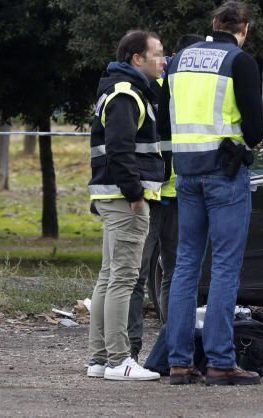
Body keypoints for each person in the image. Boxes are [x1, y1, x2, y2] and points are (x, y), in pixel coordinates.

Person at [157, 1, 263, 386]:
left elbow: (163, 114)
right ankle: (221, 360)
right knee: (224, 266)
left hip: (186, 175)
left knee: (185, 266)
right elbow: (254, 129)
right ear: (245, 28)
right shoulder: (240, 62)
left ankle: (179, 362)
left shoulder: (179, 60)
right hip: (225, 174)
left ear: (213, 23)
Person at [86, 30, 166, 381]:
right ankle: (120, 360)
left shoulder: (123, 90)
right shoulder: (125, 94)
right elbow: (120, 149)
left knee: (109, 276)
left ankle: (100, 359)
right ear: (137, 58)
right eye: (158, 54)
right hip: (124, 199)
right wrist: (135, 193)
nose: (163, 60)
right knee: (122, 278)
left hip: (113, 195)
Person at [128, 34, 206, 361]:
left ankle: (172, 346)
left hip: (179, 193)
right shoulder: (153, 88)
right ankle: (128, 350)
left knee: (177, 274)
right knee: (136, 272)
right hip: (150, 193)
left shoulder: (193, 90)